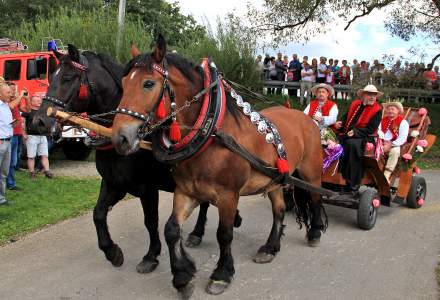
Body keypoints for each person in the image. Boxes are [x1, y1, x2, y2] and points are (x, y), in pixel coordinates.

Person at [334, 85, 383, 192]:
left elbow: (371, 129)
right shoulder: (355, 104)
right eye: (370, 94)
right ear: (363, 95)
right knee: (331, 141)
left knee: (351, 145)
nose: (372, 97)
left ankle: (352, 181)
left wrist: (356, 132)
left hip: (365, 136)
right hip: (347, 133)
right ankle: (332, 176)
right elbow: (346, 117)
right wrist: (340, 123)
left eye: (374, 95)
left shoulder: (377, 109)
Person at [22, 95, 54, 179]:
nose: (39, 102)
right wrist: (24, 133)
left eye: (39, 100)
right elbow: (22, 122)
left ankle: (47, 171)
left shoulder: (43, 111)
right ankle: (32, 173)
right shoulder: (28, 111)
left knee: (44, 155)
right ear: (31, 102)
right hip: (32, 136)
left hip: (43, 136)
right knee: (31, 156)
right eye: (36, 101)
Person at [378, 101, 409, 182]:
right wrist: (381, 143)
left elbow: (402, 138)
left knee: (395, 152)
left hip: (395, 145)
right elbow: (378, 132)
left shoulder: (403, 122)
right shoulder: (381, 121)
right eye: (388, 109)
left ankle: (387, 174)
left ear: (398, 111)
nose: (390, 111)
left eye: (393, 109)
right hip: (381, 143)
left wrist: (391, 144)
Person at [6, 83, 29, 190]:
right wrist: (20, 96)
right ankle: (10, 183)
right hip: (11, 135)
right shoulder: (6, 101)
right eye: (11, 90)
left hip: (18, 133)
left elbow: (28, 110)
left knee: (14, 160)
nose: (13, 92)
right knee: (10, 161)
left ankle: (9, 182)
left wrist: (27, 98)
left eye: (14, 90)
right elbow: (12, 106)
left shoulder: (15, 100)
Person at [0, 83, 13, 205]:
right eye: (8, 92)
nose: (11, 94)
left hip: (8, 141)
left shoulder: (5, 106)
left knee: (4, 172)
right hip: (1, 142)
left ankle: (2, 199)